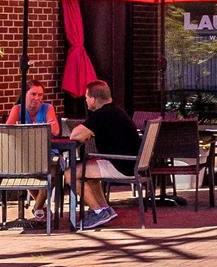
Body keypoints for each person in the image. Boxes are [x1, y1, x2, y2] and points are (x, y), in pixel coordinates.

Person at [67, 81, 139, 231]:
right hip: (131, 163)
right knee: (89, 174)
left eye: (86, 97)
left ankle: (98, 212)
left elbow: (75, 134)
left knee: (70, 174)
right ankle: (105, 209)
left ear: (93, 99)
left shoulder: (102, 114)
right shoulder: (116, 111)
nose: (85, 100)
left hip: (122, 165)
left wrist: (86, 133)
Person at [8, 83, 59, 226]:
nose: (37, 98)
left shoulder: (47, 108)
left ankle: (37, 207)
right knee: (24, 168)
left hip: (45, 152)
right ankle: (40, 207)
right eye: (33, 94)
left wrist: (50, 123)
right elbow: (8, 132)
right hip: (24, 154)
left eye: (40, 95)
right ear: (25, 95)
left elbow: (55, 131)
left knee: (54, 169)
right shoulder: (17, 109)